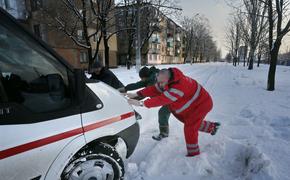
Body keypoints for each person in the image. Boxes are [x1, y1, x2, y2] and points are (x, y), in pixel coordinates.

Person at [126, 68, 220, 157]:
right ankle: (212, 127)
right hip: (194, 104)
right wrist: (137, 94)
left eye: (162, 83)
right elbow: (154, 89)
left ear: (167, 79)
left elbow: (162, 99)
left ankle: (194, 154)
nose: (161, 85)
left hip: (202, 104)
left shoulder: (179, 87)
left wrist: (142, 103)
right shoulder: (167, 79)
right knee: (191, 122)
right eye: (160, 83)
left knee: (190, 127)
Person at [118, 66, 172, 141]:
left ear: (145, 76)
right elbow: (138, 84)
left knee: (163, 112)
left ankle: (164, 133)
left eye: (142, 78)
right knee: (163, 112)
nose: (141, 80)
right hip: (165, 97)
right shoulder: (150, 77)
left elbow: (146, 93)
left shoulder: (153, 80)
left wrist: (135, 100)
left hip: (171, 97)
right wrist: (125, 89)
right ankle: (164, 131)